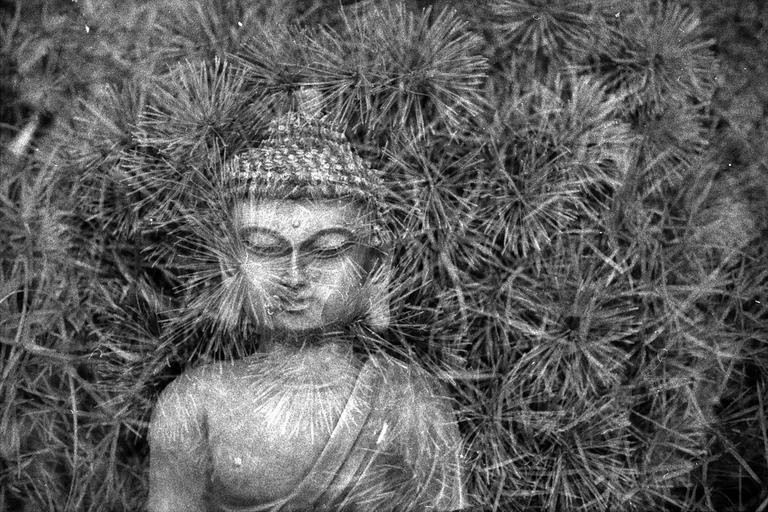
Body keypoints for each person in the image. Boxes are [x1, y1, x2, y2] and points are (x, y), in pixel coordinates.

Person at [146, 91, 467, 511]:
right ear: (230, 267)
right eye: (266, 248)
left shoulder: (409, 403)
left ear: (374, 270)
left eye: (328, 250)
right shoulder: (197, 404)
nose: (295, 276)